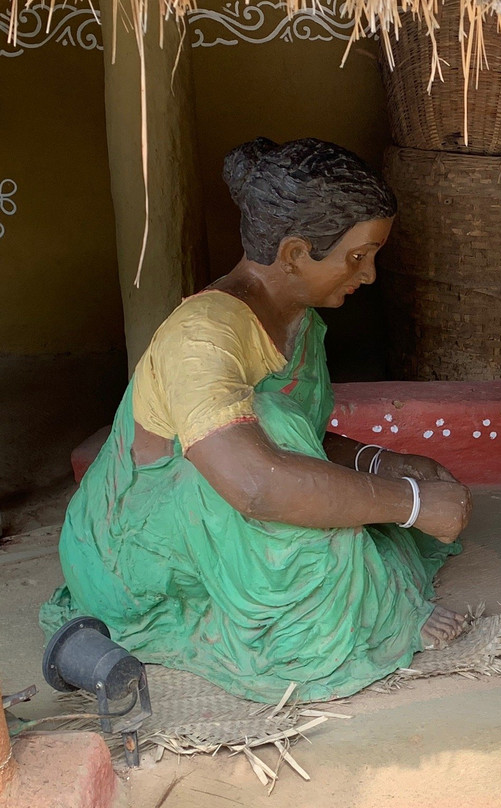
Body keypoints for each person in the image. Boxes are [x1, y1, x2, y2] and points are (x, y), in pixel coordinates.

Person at [40, 138, 472, 703]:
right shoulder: (203, 335)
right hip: (134, 548)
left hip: (227, 498)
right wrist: (410, 503)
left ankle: (350, 594)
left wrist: (384, 462)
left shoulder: (299, 322)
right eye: (357, 256)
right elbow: (254, 481)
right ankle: (314, 623)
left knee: (323, 476)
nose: (368, 276)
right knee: (328, 516)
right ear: (294, 253)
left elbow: (302, 437)